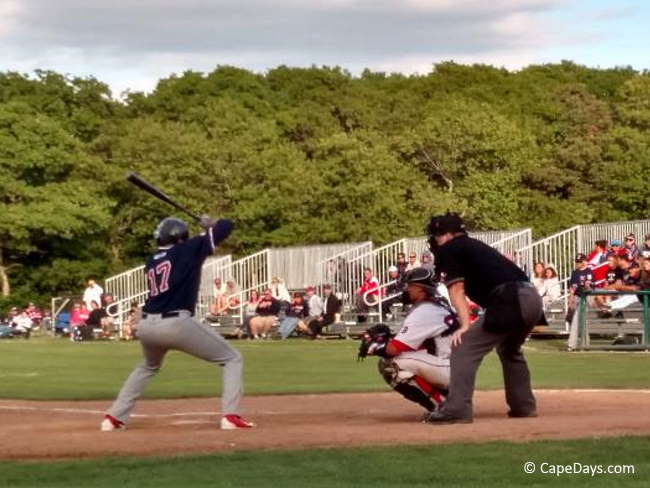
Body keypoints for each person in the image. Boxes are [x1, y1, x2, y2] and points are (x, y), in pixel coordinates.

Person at [101, 216, 254, 431]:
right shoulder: (189, 248)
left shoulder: (152, 259)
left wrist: (206, 232)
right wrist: (210, 224)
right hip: (175, 324)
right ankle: (230, 416)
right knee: (232, 359)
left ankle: (114, 418)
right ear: (182, 236)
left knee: (147, 366)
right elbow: (227, 225)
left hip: (147, 325)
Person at [423, 213, 544, 424]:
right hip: (531, 298)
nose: (435, 240)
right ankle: (523, 406)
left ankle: (457, 409)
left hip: (511, 299)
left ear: (447, 235)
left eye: (437, 235)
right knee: (510, 349)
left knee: (463, 347)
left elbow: (456, 289)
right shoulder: (471, 245)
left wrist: (464, 325)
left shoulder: (450, 248)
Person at [358, 268, 455, 416]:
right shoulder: (434, 305)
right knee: (401, 358)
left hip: (448, 369)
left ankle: (442, 406)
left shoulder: (425, 310)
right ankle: (446, 398)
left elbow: (393, 349)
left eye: (410, 286)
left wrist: (375, 346)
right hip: (453, 367)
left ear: (421, 290)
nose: (406, 289)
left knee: (391, 364)